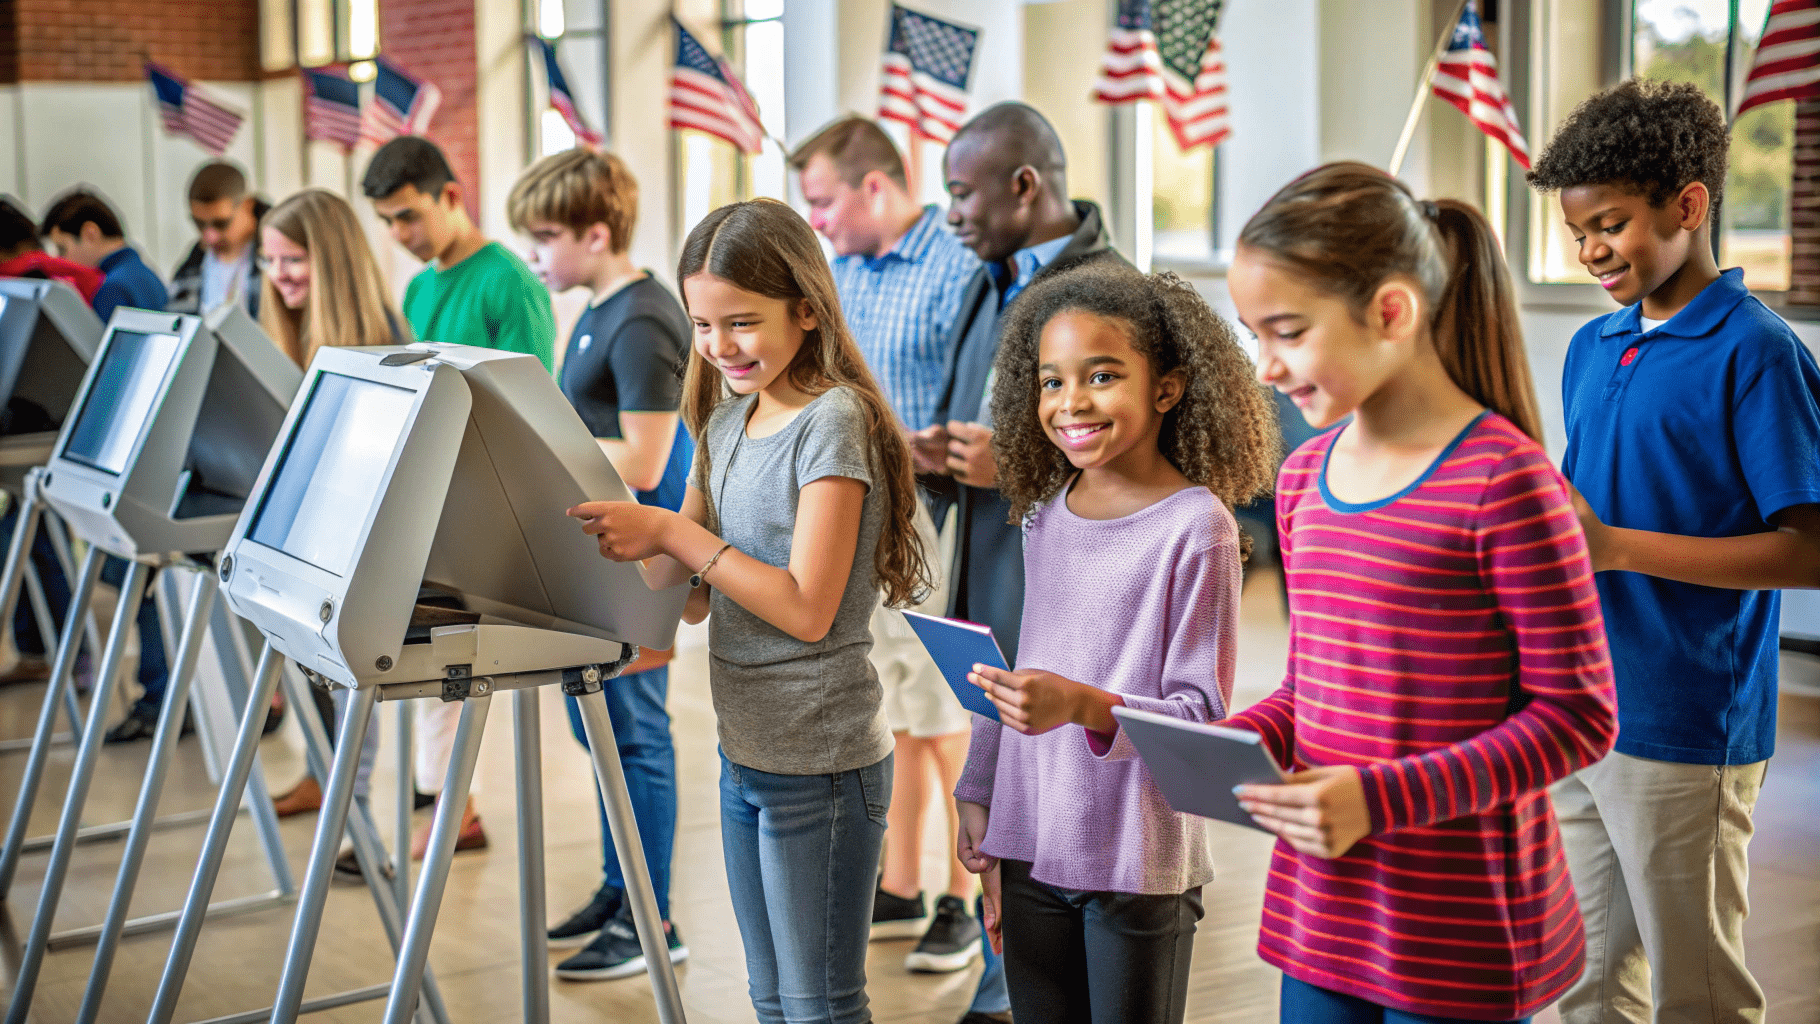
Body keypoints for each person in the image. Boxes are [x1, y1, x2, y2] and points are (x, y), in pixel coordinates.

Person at [1221, 163, 1618, 1024]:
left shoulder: (1504, 481)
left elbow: (1578, 717)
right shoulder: (1301, 480)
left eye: (1285, 332)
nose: (1265, 367)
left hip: (1459, 929)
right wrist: (1227, 744)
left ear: (1392, 312)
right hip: (1323, 913)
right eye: (1255, 335)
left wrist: (1377, 799)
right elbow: (1313, 687)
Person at [568, 199, 932, 1024]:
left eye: (741, 323)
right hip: (748, 753)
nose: (717, 347)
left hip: (824, 760)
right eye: (701, 324)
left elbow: (806, 609)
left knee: (821, 1007)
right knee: (771, 1002)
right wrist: (601, 542)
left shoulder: (835, 421)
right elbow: (684, 590)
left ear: (807, 308)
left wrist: (670, 530)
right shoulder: (726, 420)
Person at [1525, 79, 1820, 1024]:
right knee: (1578, 982)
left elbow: (1805, 553)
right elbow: (1580, 527)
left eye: (1610, 224)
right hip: (1581, 706)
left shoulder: (1757, 352)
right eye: (1578, 233)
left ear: (1688, 205)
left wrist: (1613, 548)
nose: (1591, 251)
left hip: (1690, 723)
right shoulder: (1590, 344)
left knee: (1695, 993)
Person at [956, 263, 1278, 1023]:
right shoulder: (1044, 513)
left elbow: (1197, 714)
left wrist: (1079, 704)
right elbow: (1016, 671)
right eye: (1050, 381)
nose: (1070, 403)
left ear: (1165, 387)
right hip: (1030, 834)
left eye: (1100, 376)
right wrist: (979, 790)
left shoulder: (1197, 528)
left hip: (1138, 856)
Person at [923, 100, 1127, 1024]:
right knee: (999, 789)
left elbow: (1159, 456)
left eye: (962, 193)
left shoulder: (1112, 290)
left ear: (1024, 186)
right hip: (993, 577)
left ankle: (1026, 988)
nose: (952, 212)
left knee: (1056, 790)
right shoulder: (988, 276)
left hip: (1070, 596)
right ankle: (1007, 971)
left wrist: (1026, 462)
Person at [790, 115, 983, 971]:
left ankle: (964, 896)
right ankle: (899, 884)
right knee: (894, 706)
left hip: (939, 510)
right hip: (870, 513)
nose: (819, 220)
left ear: (875, 185)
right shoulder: (845, 273)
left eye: (825, 202)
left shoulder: (954, 263)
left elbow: (976, 401)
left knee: (945, 714)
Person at [506, 147, 691, 981]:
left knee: (636, 732)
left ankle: (654, 918)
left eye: (545, 237)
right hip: (605, 548)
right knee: (600, 728)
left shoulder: (644, 316)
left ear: (595, 230)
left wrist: (534, 445)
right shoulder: (595, 306)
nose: (537, 255)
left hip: (643, 553)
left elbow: (649, 460)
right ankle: (622, 888)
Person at [362, 135, 558, 857]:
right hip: (429, 498)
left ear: (451, 194)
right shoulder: (418, 289)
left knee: (454, 660)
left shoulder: (510, 283)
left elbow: (538, 408)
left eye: (407, 217)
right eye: (386, 222)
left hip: (488, 506)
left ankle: (452, 809)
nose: (399, 236)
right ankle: (446, 803)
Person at [256, 187, 412, 878]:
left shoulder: (381, 339)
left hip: (359, 548)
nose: (279, 275)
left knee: (352, 700)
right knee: (324, 697)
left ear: (333, 261)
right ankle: (346, 819)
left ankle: (362, 831)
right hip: (304, 540)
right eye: (270, 260)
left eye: (294, 260)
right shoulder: (286, 335)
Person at [38, 189, 176, 744]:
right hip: (154, 448)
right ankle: (162, 692)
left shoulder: (116, 286)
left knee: (138, 581)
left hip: (133, 450)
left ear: (91, 233)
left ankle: (159, 695)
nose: (68, 258)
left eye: (67, 246)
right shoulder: (146, 274)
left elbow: (111, 376)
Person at [0, 197, 96, 687]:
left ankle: (72, 655)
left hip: (52, 435)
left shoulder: (29, 283)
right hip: (49, 432)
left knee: (40, 544)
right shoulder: (40, 279)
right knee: (30, 541)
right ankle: (45, 651)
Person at [40, 190, 167, 320]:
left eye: (62, 249)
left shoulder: (111, 289)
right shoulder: (146, 273)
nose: (60, 259)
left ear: (90, 233)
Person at [167, 160, 267, 317]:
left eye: (221, 223)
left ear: (247, 205)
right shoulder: (192, 264)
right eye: (199, 223)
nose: (209, 236)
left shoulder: (278, 257)